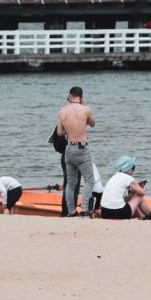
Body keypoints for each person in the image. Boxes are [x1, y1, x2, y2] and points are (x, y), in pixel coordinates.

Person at [56, 85, 97, 217]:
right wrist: (84, 108)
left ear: (70, 95)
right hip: (81, 148)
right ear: (81, 96)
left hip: (69, 149)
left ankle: (71, 211)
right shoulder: (86, 109)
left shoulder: (62, 111)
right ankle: (84, 208)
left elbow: (60, 132)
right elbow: (92, 123)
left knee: (71, 183)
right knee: (90, 180)